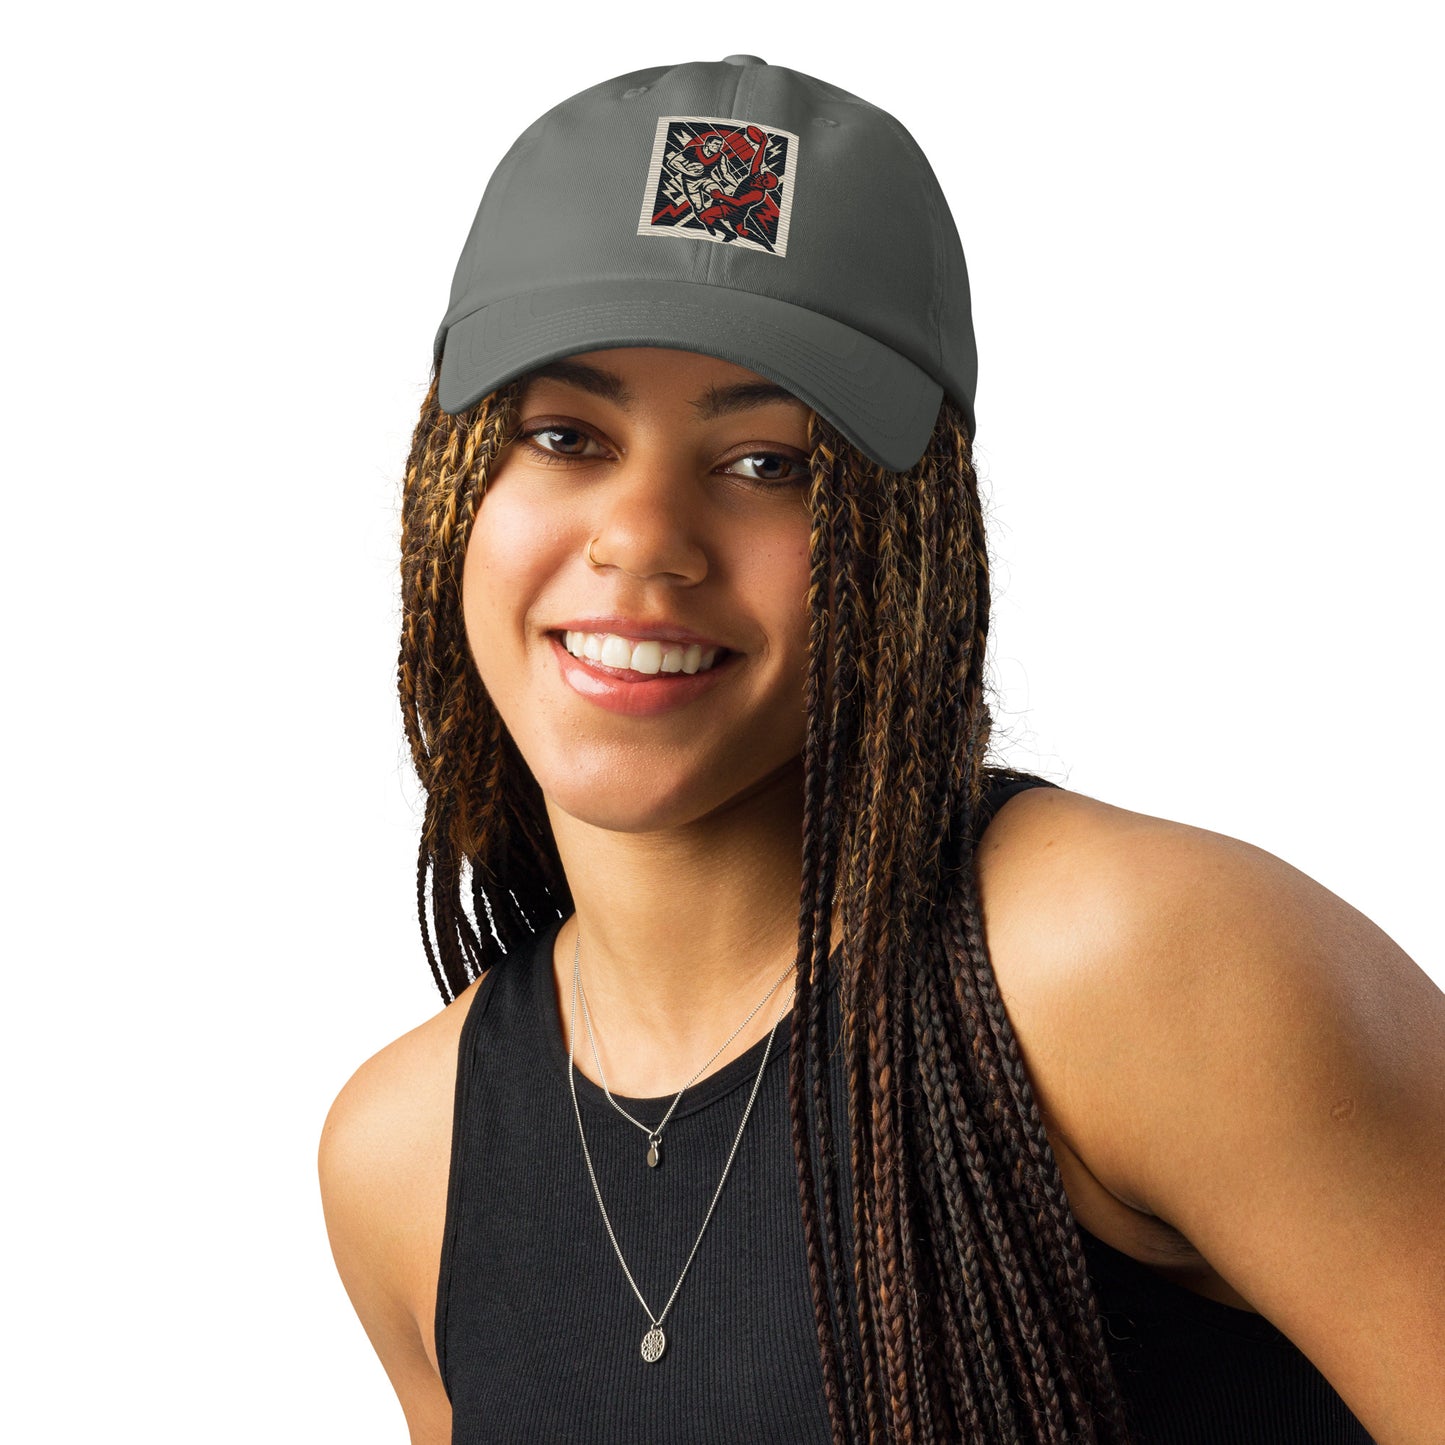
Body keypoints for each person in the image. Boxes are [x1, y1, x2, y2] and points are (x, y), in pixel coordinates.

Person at [318, 56, 1443, 1445]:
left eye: (768, 462)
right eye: (564, 435)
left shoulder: (1127, 965)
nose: (641, 538)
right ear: (450, 489)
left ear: (913, 542)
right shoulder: (404, 1157)